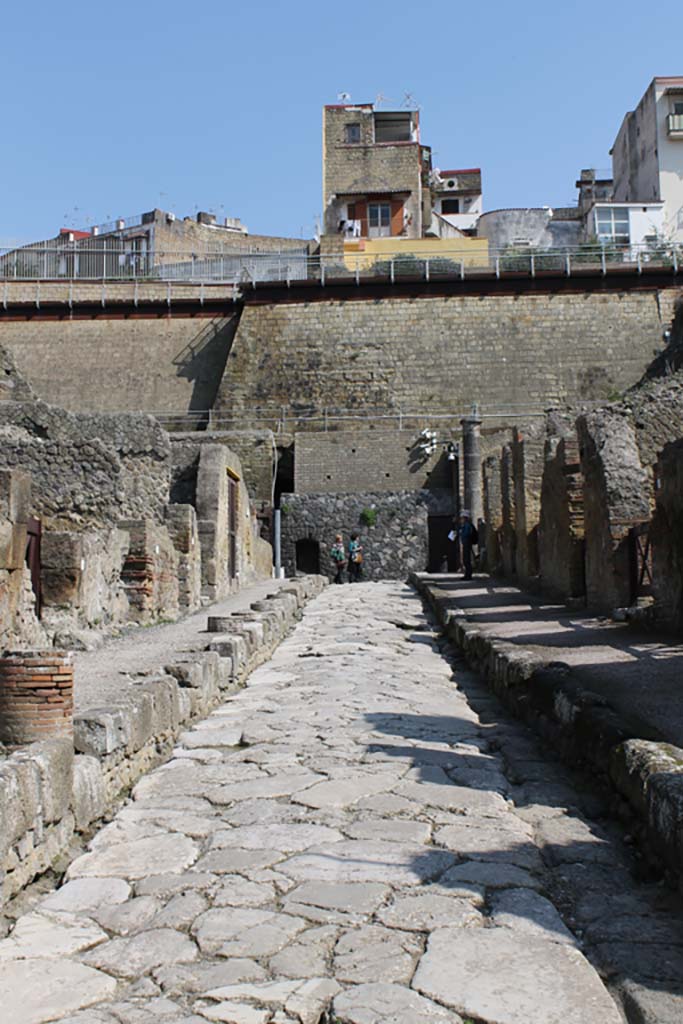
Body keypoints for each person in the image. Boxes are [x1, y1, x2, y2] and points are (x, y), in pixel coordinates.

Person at [458, 510, 479, 581]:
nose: (461, 519)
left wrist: (461, 533)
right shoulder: (465, 525)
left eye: (462, 518)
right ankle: (467, 574)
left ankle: (468, 575)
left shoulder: (467, 525)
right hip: (466, 543)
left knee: (467, 560)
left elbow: (466, 534)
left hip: (467, 543)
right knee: (466, 560)